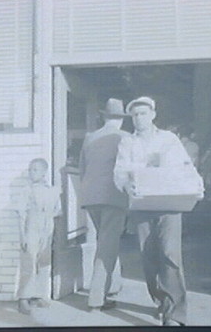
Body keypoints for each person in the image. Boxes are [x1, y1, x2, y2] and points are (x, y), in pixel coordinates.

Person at [114, 96, 193, 326]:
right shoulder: (127, 143)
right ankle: (160, 300)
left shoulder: (169, 139)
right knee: (148, 258)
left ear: (153, 115)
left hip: (169, 205)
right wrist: (126, 183)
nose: (139, 118)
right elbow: (119, 172)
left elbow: (184, 167)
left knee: (170, 254)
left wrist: (163, 167)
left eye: (143, 114)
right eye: (135, 115)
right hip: (142, 205)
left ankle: (175, 313)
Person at [79, 98, 130, 311]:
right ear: (121, 119)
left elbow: (83, 169)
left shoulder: (90, 137)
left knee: (107, 242)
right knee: (107, 245)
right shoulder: (126, 138)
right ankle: (96, 299)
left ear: (104, 116)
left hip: (91, 198)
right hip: (114, 198)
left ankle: (112, 289)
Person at [14, 158, 61, 315]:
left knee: (44, 264)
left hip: (47, 229)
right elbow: (21, 214)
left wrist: (49, 218)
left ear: (44, 172)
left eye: (35, 169)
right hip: (31, 228)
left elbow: (58, 210)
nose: (32, 173)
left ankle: (40, 295)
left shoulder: (52, 190)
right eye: (30, 169)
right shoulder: (26, 190)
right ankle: (23, 299)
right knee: (28, 263)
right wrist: (23, 236)